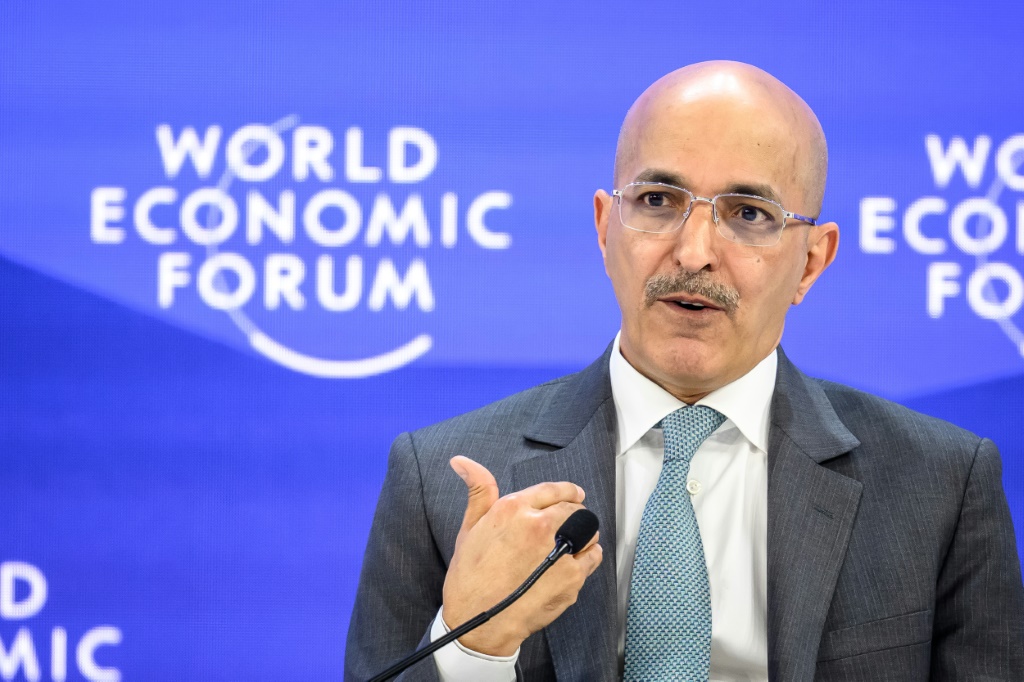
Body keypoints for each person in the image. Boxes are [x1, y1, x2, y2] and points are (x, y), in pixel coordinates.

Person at [345, 61, 1024, 681]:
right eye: (658, 201)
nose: (694, 252)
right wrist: (474, 646)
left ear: (811, 263)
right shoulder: (442, 481)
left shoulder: (939, 487)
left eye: (749, 213)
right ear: (605, 227)